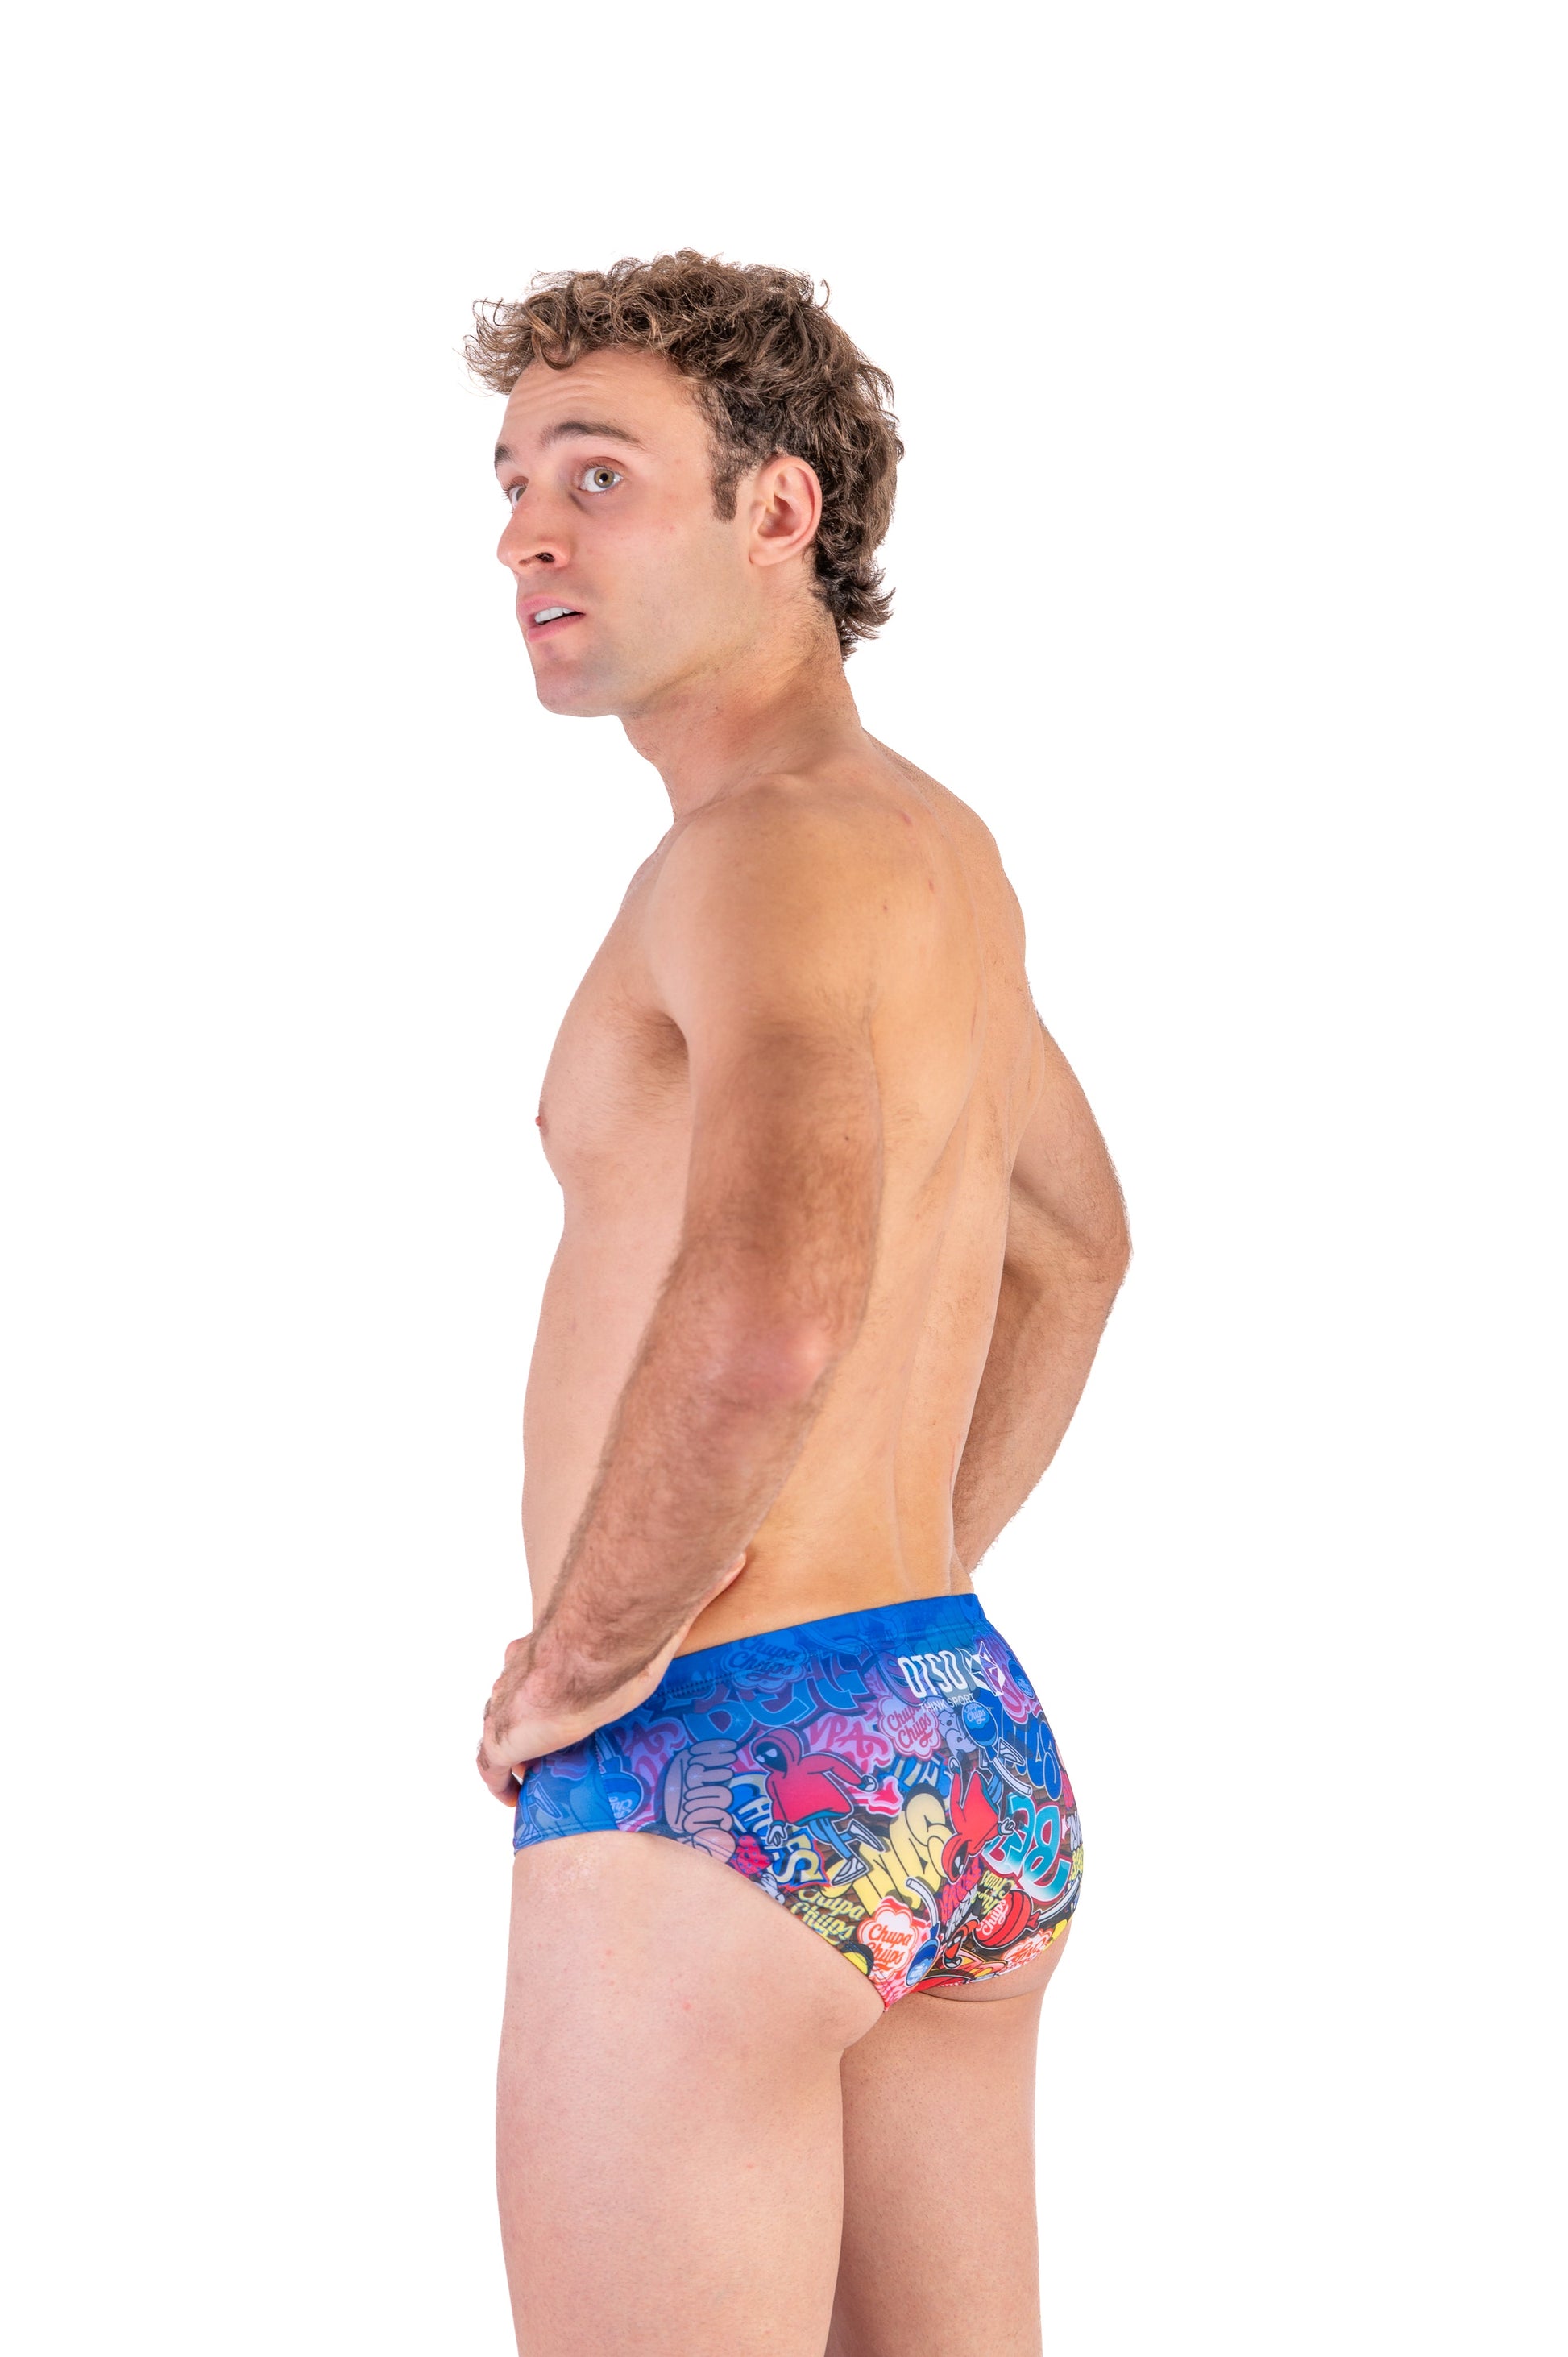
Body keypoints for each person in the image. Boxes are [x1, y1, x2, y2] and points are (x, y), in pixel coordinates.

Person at [469, 251, 1130, 2357]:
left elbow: (773, 1307)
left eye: (598, 475)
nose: (526, 533)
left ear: (779, 510)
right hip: (951, 1735)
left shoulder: (756, 856)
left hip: (715, 1771)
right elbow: (1073, 1244)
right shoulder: (932, 851)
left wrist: (587, 1657)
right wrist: (902, 1572)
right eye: (511, 481)